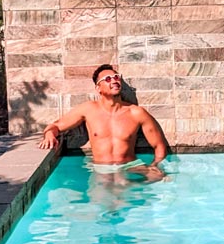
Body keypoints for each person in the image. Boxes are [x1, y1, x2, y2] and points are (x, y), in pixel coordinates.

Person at [39, 64, 169, 180]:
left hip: (131, 165)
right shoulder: (88, 109)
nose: (114, 81)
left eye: (116, 77)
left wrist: (155, 165)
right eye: (108, 79)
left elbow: (159, 145)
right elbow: (55, 126)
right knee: (105, 200)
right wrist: (49, 134)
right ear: (98, 88)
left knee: (162, 179)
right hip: (102, 169)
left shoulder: (136, 113)